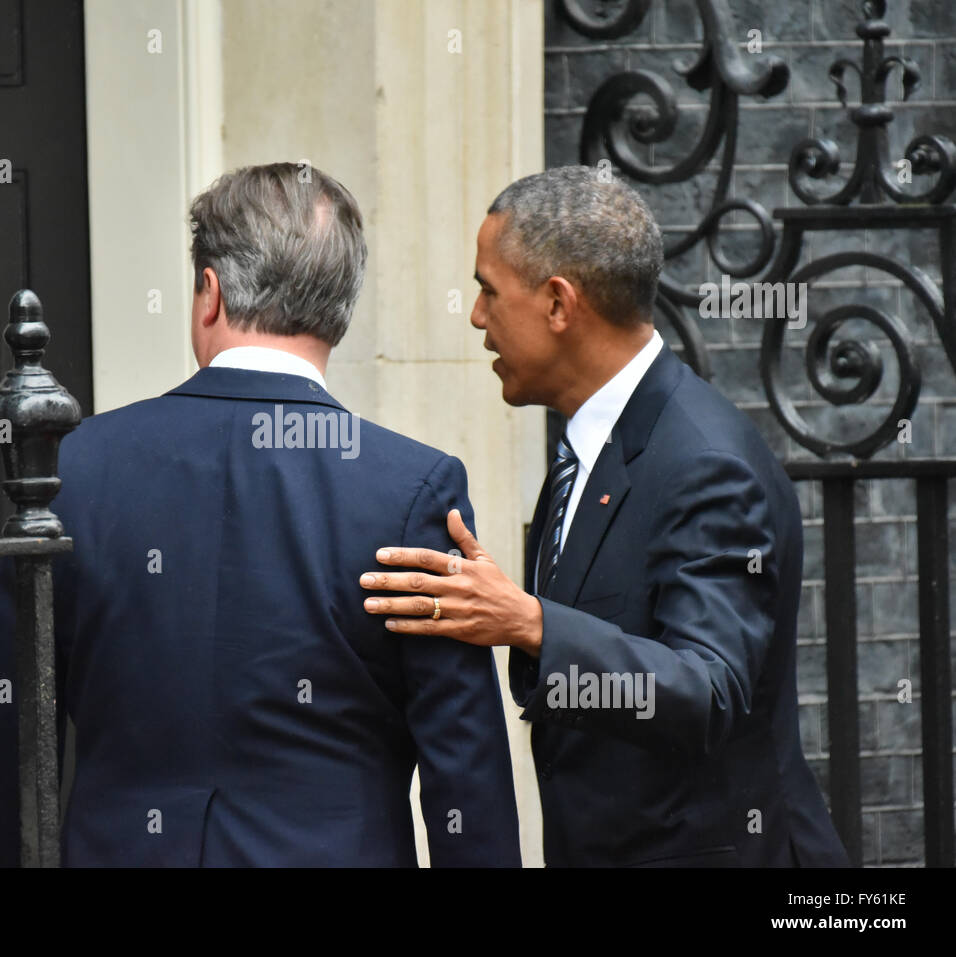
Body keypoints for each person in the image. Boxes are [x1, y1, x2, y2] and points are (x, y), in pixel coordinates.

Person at [0, 162, 520, 867]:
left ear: (210, 293)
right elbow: (463, 774)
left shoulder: (77, 468)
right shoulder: (411, 490)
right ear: (340, 309)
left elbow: (9, 736)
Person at [359, 165, 848, 867]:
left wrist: (529, 622)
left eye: (488, 290)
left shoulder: (706, 463)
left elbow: (709, 691)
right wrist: (525, 623)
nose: (475, 316)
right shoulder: (594, 444)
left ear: (558, 303)